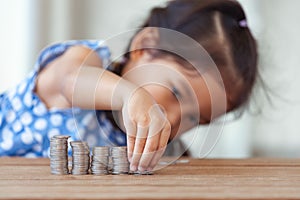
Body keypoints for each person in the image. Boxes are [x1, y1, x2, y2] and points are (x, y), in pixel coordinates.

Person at [0, 0, 258, 172]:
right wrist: (129, 95)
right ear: (144, 47)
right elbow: (70, 80)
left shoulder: (161, 149)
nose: (174, 118)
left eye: (196, 118)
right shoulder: (86, 61)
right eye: (175, 92)